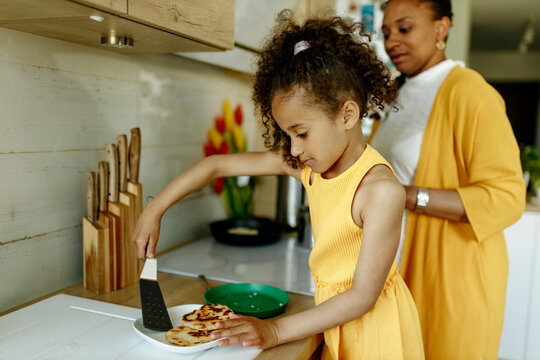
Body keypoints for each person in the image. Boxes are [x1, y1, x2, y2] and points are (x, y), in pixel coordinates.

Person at [132, 10, 424, 359]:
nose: (295, 149)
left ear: (347, 115)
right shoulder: (312, 168)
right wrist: (155, 207)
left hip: (378, 337)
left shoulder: (380, 191)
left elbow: (362, 297)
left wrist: (275, 330)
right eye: (288, 135)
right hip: (335, 323)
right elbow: (216, 166)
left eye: (301, 133)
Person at [369, 0, 526, 358]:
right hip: (398, 275)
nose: (392, 41)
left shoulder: (470, 92)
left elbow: (506, 197)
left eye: (404, 28)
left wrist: (405, 195)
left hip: (450, 284)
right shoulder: (397, 95)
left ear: (441, 29)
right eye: (387, 32)